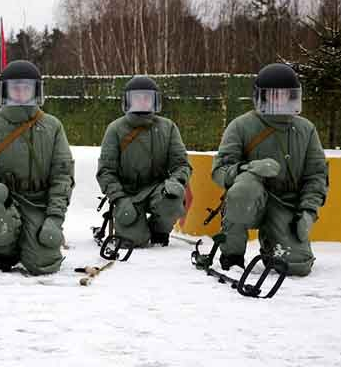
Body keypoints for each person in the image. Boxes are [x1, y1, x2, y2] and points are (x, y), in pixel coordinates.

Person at [212, 63, 328, 276]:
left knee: (296, 266)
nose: (279, 100)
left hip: (286, 204)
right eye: (273, 94)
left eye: (285, 95)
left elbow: (316, 175)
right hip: (251, 200)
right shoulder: (241, 126)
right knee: (245, 187)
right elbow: (219, 171)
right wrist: (247, 168)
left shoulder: (306, 129)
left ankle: (273, 245)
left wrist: (308, 211)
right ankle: (232, 254)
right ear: (261, 96)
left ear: (293, 96)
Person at [0, 60, 74, 275]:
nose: (21, 93)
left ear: (36, 90)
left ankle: (29, 244)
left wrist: (54, 218)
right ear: (5, 91)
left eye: (26, 88)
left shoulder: (52, 126)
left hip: (37, 203)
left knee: (44, 264)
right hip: (2, 202)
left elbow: (63, 175)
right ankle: (5, 252)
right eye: (15, 88)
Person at [96, 76, 192, 248]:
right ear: (128, 101)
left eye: (146, 97)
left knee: (173, 198)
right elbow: (106, 171)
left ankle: (159, 231)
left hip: (158, 190)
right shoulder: (115, 129)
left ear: (155, 101)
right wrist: (119, 198)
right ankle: (136, 228)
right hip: (127, 193)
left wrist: (175, 183)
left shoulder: (168, 127)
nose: (142, 101)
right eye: (137, 98)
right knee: (133, 241)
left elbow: (181, 164)